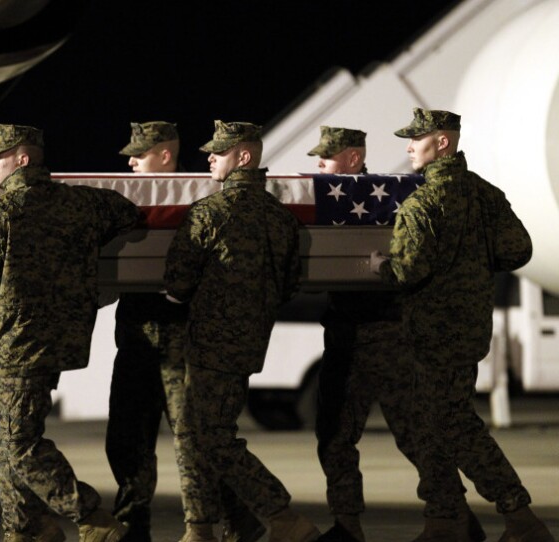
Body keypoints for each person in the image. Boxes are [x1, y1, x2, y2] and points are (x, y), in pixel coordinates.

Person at [0, 123, 140, 542]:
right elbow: (129, 212)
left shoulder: (0, 212)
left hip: (19, 342)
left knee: (17, 441)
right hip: (64, 338)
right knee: (7, 435)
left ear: (22, 159)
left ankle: (90, 516)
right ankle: (23, 529)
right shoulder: (83, 204)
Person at [371, 108, 555, 542]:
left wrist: (382, 267)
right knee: (431, 420)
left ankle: (519, 516)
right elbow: (518, 252)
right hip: (470, 329)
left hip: (432, 333)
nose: (409, 147)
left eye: (417, 139)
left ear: (442, 143)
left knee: (451, 422)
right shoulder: (486, 195)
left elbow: (408, 271)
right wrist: (473, 263)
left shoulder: (422, 203)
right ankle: (446, 518)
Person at [309, 126, 482, 542]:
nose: (319, 164)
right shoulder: (329, 203)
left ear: (352, 158)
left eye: (327, 157)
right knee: (333, 437)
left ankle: (452, 517)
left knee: (415, 434)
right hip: (345, 338)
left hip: (389, 336)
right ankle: (347, 524)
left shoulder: (394, 200)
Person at [164, 120, 319, 542]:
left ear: (244, 157)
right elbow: (289, 285)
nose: (209, 157)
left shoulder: (211, 213)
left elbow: (177, 285)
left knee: (205, 435)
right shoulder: (281, 219)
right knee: (213, 432)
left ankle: (281, 516)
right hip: (252, 342)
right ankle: (235, 524)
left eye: (219, 151)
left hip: (211, 342)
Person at [106, 121, 188, 542]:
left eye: (139, 154)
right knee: (125, 440)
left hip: (180, 343)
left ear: (166, 155)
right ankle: (132, 526)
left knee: (196, 443)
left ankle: (224, 521)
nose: (131, 161)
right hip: (136, 340)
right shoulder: (126, 204)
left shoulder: (197, 199)